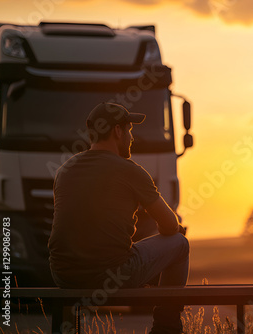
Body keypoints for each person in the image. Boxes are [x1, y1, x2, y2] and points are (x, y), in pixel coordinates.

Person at [48, 102, 189, 334]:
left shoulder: (64, 170)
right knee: (179, 244)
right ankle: (167, 328)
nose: (132, 137)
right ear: (117, 131)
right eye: (129, 129)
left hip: (63, 276)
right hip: (110, 277)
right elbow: (169, 225)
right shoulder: (130, 170)